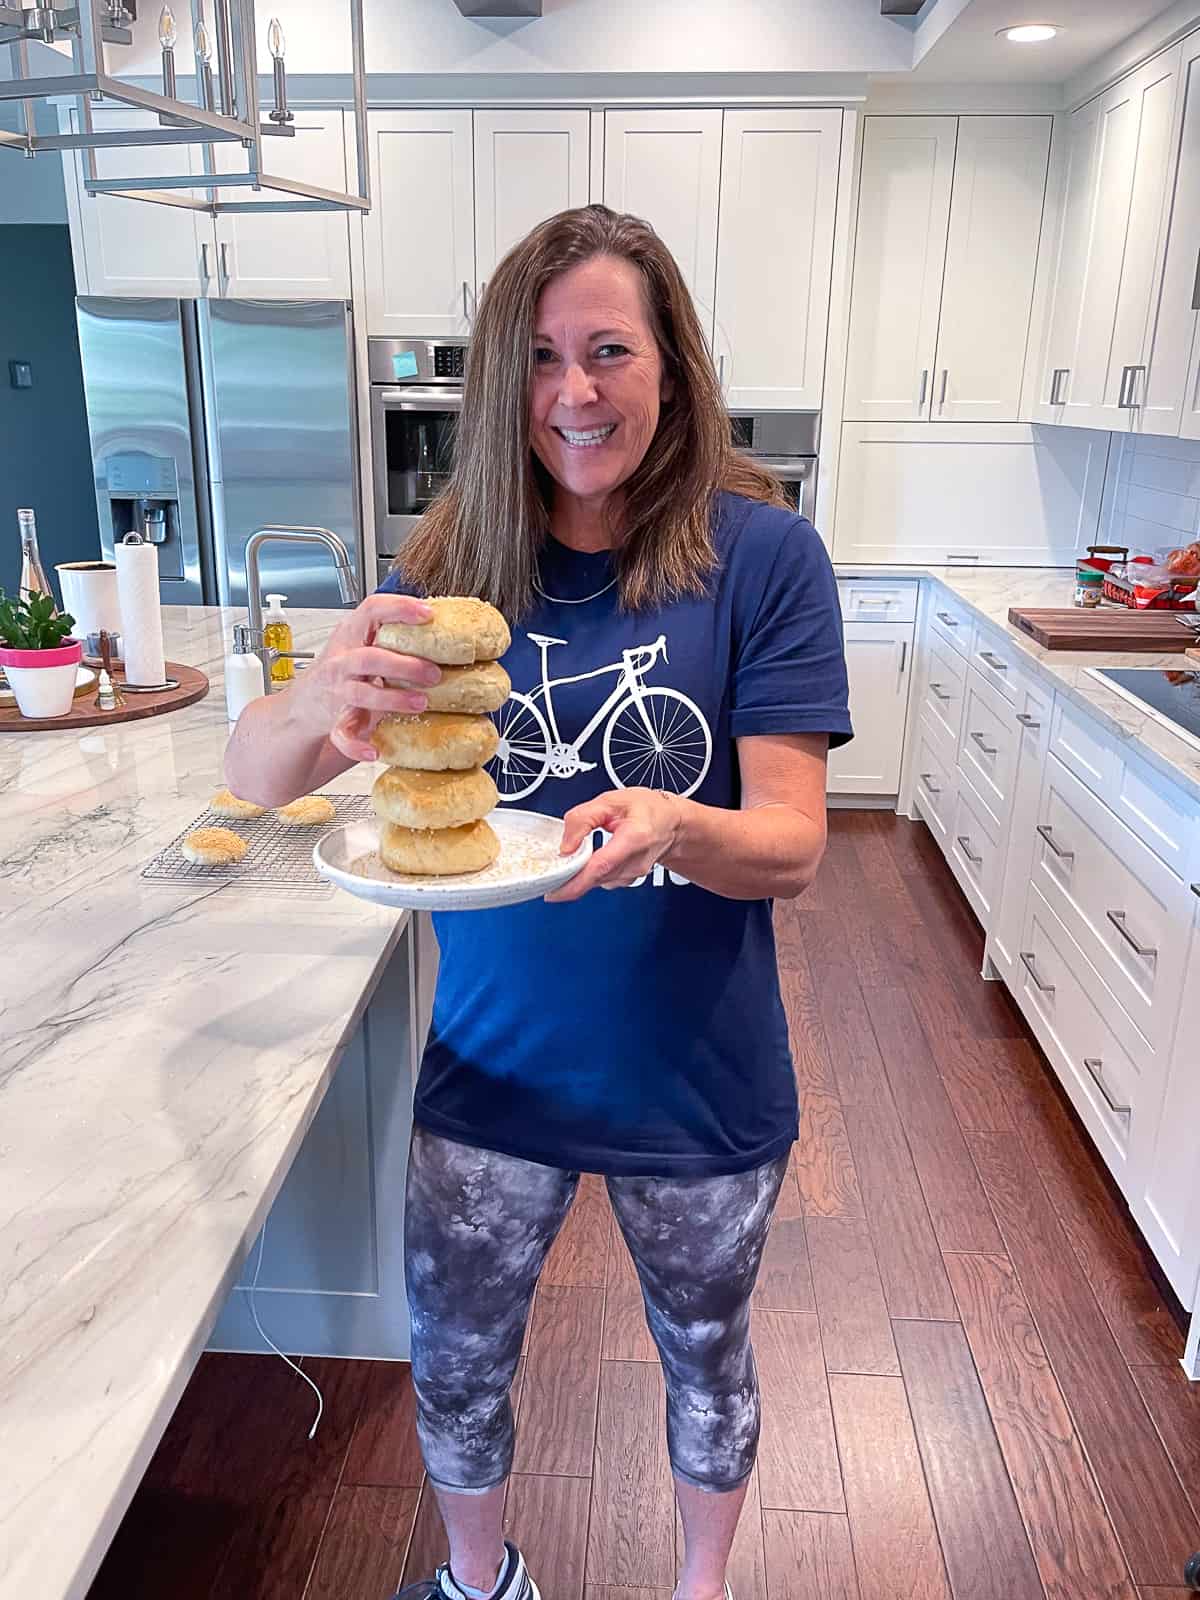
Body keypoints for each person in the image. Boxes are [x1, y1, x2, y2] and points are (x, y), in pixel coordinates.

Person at [225, 203, 852, 1600]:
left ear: (671, 367)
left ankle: (702, 1589)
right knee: (452, 1358)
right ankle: (477, 1581)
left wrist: (681, 824)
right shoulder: (447, 575)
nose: (577, 392)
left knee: (706, 1359)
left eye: (611, 350)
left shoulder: (764, 561)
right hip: (490, 1072)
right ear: (505, 382)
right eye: (545, 358)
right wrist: (319, 697)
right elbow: (256, 775)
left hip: (696, 1084)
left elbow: (796, 846)